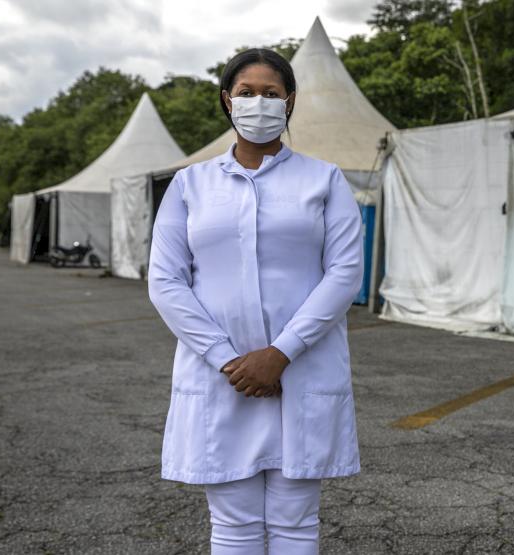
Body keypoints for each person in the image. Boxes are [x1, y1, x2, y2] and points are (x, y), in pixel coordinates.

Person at [148, 48, 363, 554]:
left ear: (289, 103)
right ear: (227, 101)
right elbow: (166, 281)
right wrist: (230, 361)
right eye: (247, 93)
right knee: (233, 525)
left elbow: (345, 273)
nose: (258, 102)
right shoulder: (190, 184)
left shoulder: (323, 179)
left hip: (301, 372)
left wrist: (280, 353)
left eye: (271, 93)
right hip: (220, 380)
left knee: (295, 524)